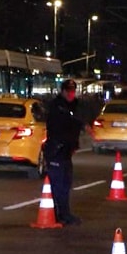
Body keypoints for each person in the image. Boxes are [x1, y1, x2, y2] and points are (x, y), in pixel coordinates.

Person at [45, 78, 84, 225]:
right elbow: (60, 126)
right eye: (68, 91)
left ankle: (64, 213)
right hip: (57, 150)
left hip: (66, 151)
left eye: (73, 91)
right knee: (58, 185)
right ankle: (58, 214)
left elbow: (77, 124)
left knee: (66, 184)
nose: (71, 94)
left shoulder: (74, 106)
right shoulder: (57, 106)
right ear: (62, 91)